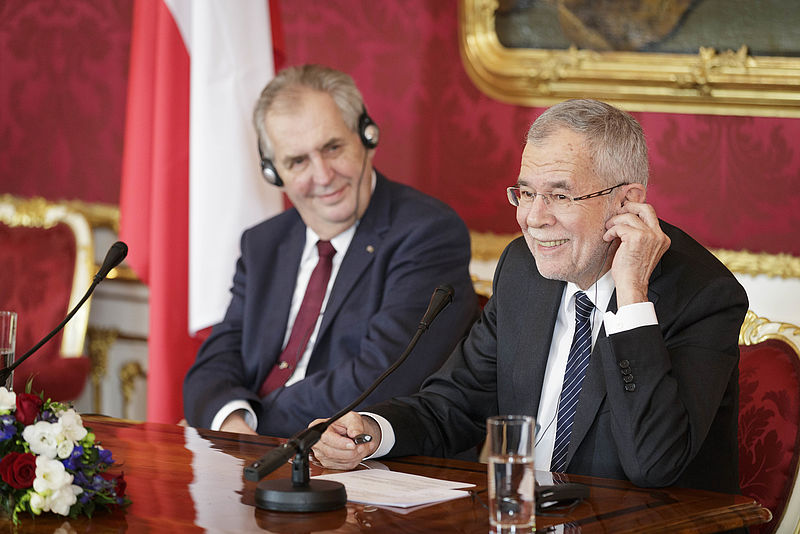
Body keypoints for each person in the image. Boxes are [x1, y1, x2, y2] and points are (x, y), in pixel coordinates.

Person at [311, 99, 748, 495]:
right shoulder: (524, 269)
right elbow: (455, 403)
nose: (533, 218)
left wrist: (632, 297)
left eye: (560, 195)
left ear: (627, 202)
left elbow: (655, 464)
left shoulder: (702, 295)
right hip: (524, 519)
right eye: (526, 192)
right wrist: (370, 431)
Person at [183, 65, 478, 438]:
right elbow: (218, 358)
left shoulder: (427, 233)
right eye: (298, 161)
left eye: (332, 147)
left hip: (373, 469)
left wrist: (254, 425)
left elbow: (382, 377)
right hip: (254, 453)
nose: (322, 176)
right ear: (275, 174)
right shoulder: (264, 243)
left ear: (366, 136)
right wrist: (229, 419)